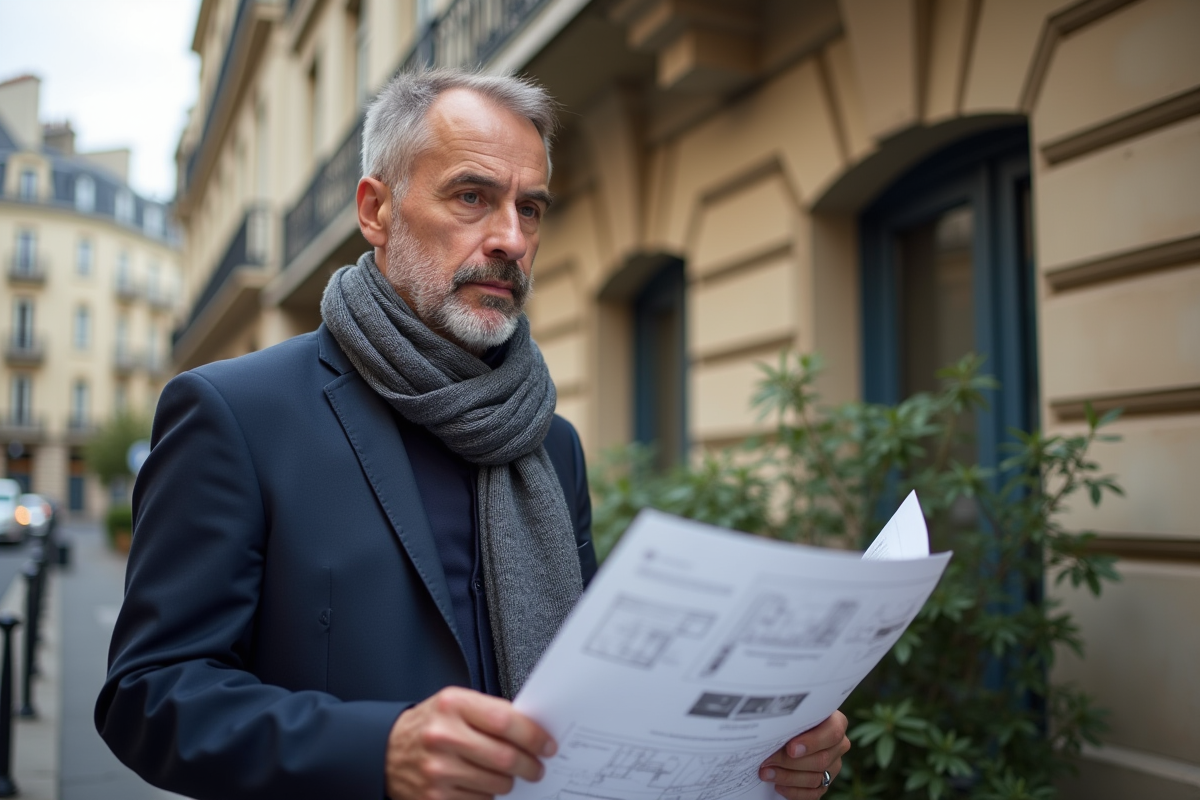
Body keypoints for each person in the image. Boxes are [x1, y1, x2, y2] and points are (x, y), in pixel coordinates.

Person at [95, 69, 850, 800]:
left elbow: (594, 691)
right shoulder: (237, 412)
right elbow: (149, 695)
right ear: (376, 210)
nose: (511, 239)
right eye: (472, 197)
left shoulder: (551, 444)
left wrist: (767, 748)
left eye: (531, 208)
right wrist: (378, 750)